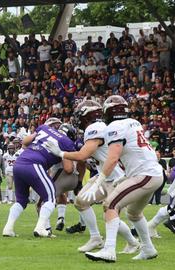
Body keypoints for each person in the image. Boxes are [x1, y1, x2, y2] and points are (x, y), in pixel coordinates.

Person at [67, 96, 161, 262]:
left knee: (110, 205)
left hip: (143, 175)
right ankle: (148, 249)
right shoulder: (134, 123)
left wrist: (98, 181)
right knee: (133, 213)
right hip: (151, 173)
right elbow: (145, 153)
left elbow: (113, 158)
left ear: (108, 111)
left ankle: (109, 250)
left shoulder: (114, 127)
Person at [44, 100, 139, 253]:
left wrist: (60, 153)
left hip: (114, 177)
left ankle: (130, 243)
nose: (77, 119)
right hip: (106, 174)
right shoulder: (101, 127)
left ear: (87, 116)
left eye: (79, 115)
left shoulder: (95, 128)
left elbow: (83, 155)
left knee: (110, 212)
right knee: (81, 201)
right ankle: (96, 238)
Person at [2, 120, 75, 238]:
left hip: (19, 162)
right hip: (34, 164)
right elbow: (68, 169)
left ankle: (8, 228)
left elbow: (25, 142)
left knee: (21, 201)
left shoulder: (45, 128)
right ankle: (40, 228)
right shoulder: (66, 142)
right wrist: (64, 155)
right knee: (50, 197)